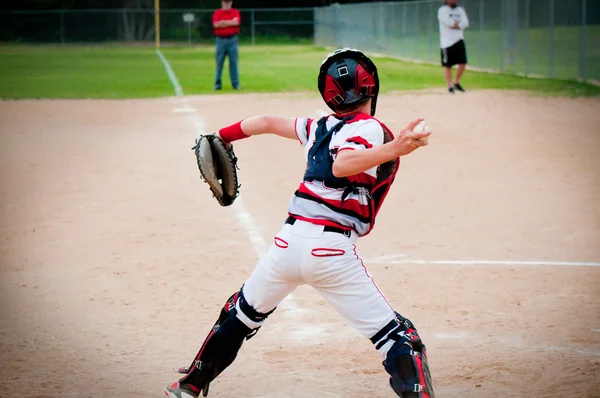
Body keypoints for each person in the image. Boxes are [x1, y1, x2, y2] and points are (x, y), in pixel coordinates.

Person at [164, 48, 435, 398]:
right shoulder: (367, 127)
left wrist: (224, 136)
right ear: (371, 88)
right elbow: (343, 164)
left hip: (286, 247)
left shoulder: (317, 125)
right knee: (401, 339)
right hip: (330, 251)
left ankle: (190, 386)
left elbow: (263, 122)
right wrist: (395, 147)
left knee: (240, 314)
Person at [438, 0, 469, 94]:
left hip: (459, 39)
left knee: (463, 63)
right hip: (447, 42)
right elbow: (448, 23)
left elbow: (465, 23)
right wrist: (456, 24)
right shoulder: (443, 10)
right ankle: (450, 86)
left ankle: (456, 83)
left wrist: (456, 24)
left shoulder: (460, 10)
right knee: (448, 65)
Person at [212, 0, 240, 90]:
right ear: (222, 2)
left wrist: (223, 22)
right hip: (220, 40)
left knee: (233, 63)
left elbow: (236, 22)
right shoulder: (217, 12)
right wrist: (229, 22)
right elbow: (216, 25)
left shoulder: (235, 12)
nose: (227, 4)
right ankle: (217, 84)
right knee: (219, 63)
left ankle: (235, 84)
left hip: (232, 39)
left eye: (228, 2)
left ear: (231, 3)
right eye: (225, 2)